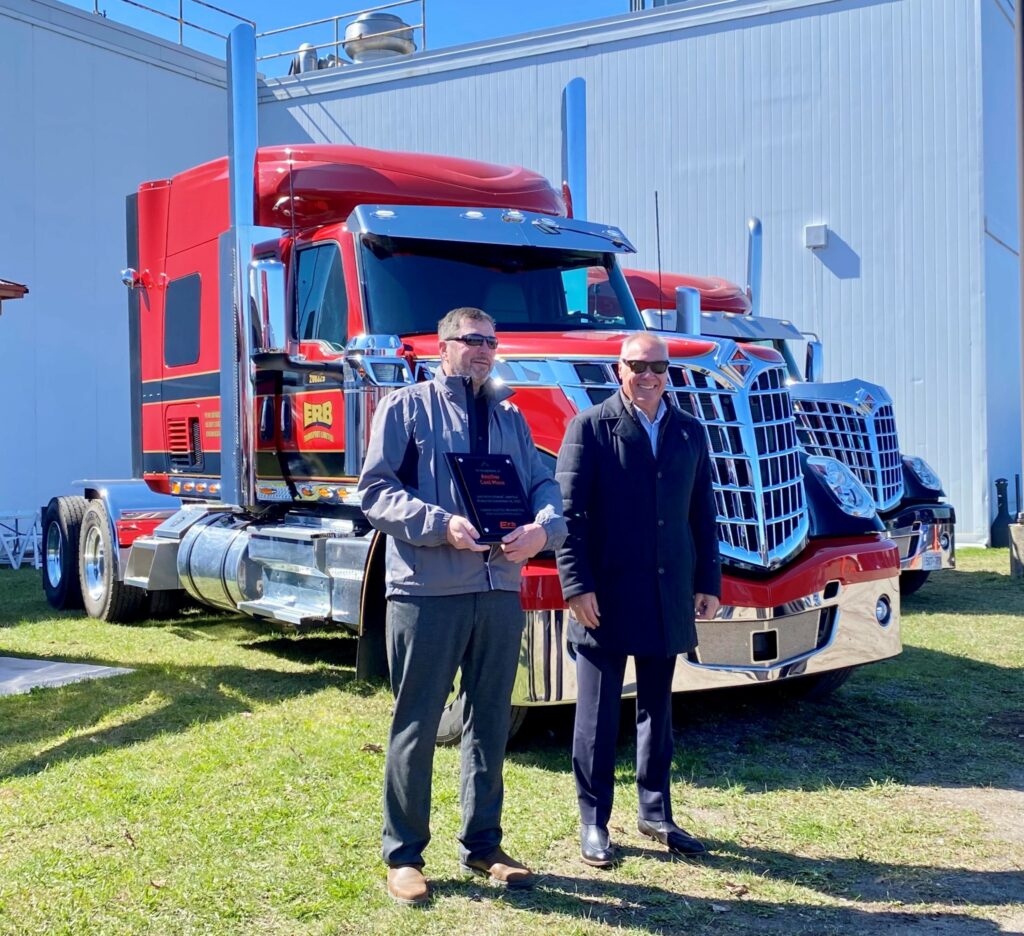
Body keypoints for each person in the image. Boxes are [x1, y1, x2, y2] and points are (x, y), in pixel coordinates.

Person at [358, 307, 567, 906]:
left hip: (499, 589)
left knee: (490, 720)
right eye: (472, 340)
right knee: (417, 721)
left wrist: (543, 530)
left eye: (491, 342)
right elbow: (374, 492)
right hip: (427, 592)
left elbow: (542, 485)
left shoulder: (509, 417)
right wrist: (440, 524)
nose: (483, 350)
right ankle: (403, 854)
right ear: (443, 347)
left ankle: (484, 844)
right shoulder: (406, 408)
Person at [555, 331, 721, 867]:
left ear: (668, 373)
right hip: (604, 597)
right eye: (637, 366)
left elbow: (702, 516)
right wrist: (576, 585)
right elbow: (569, 516)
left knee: (659, 711)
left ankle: (655, 812)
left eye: (657, 367)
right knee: (598, 717)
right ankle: (594, 821)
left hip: (666, 592)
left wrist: (708, 582)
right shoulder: (589, 427)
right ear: (617, 370)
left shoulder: (690, 433)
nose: (648, 376)